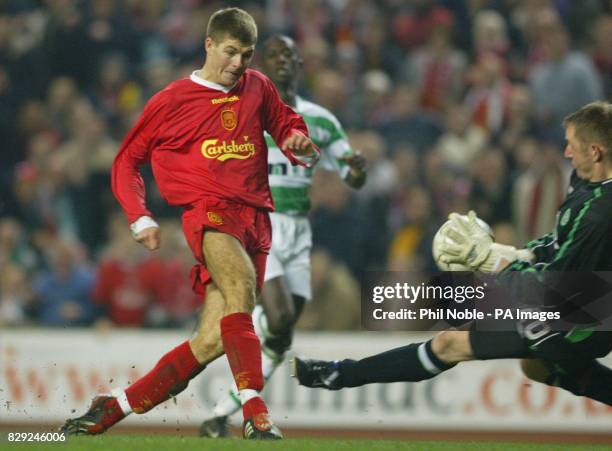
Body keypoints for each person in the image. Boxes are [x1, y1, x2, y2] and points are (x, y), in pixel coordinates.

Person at [61, 8, 319, 440]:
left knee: (212, 340)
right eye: (231, 52)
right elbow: (127, 160)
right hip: (210, 213)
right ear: (209, 45)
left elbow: (288, 126)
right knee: (241, 290)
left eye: (247, 55)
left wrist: (300, 146)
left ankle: (112, 408)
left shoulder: (258, 87)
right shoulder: (172, 100)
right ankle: (256, 415)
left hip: (256, 219)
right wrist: (139, 216)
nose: (238, 63)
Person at [294, 101, 612, 407]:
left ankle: (339, 373)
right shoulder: (587, 181)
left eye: (572, 144)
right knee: (535, 366)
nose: (566, 152)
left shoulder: (600, 212)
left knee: (452, 342)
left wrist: (497, 262)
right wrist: (519, 253)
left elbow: (553, 288)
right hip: (573, 303)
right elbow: (558, 244)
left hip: (582, 319)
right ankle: (339, 373)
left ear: (595, 152)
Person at [199, 34, 367, 438]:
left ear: (300, 65)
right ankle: (239, 326)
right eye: (273, 55)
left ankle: (220, 415)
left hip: (299, 231)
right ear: (261, 65)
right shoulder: (240, 112)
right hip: (258, 223)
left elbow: (351, 174)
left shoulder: (321, 120)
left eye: (289, 54)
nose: (282, 60)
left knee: (282, 332)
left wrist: (357, 168)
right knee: (280, 317)